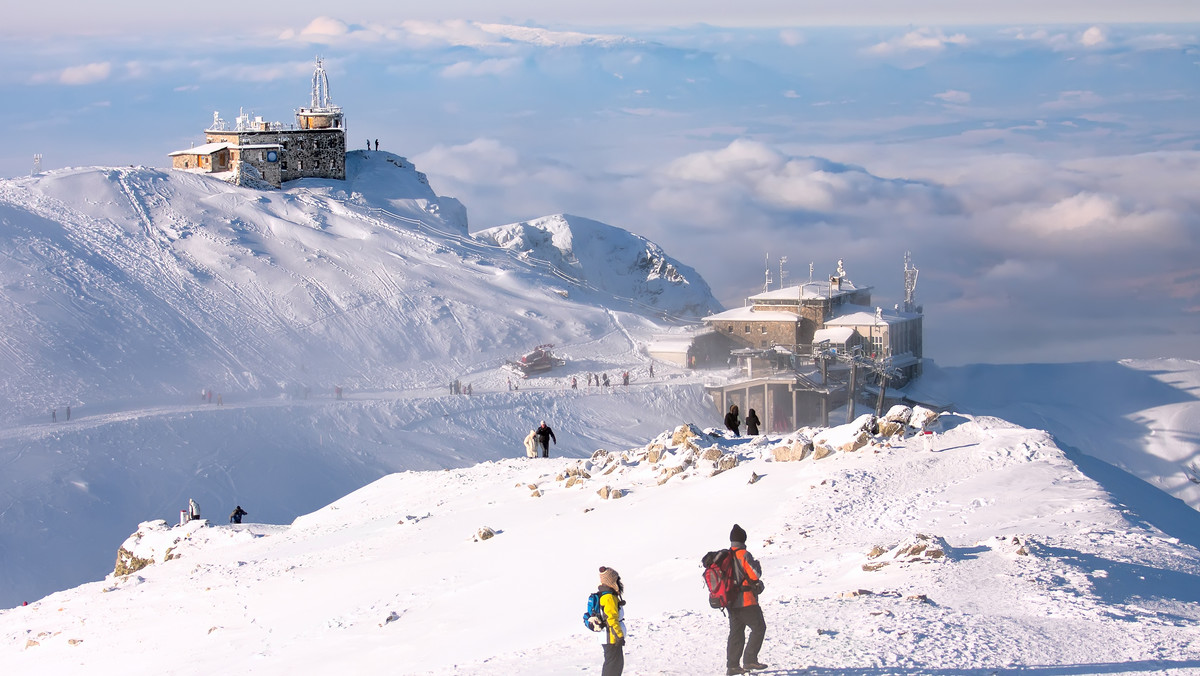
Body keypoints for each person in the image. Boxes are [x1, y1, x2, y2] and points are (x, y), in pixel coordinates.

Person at [726, 524, 767, 674]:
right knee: (759, 628)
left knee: (736, 633)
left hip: (730, 601)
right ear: (743, 539)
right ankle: (750, 660)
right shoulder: (744, 554)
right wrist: (757, 565)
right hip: (746, 600)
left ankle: (733, 666)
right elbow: (754, 574)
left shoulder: (726, 556)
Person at [596, 565, 626, 676]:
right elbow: (611, 619)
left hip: (609, 637)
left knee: (613, 665)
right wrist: (619, 636)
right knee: (613, 668)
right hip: (611, 638)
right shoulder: (609, 597)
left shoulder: (605, 595)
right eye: (617, 579)